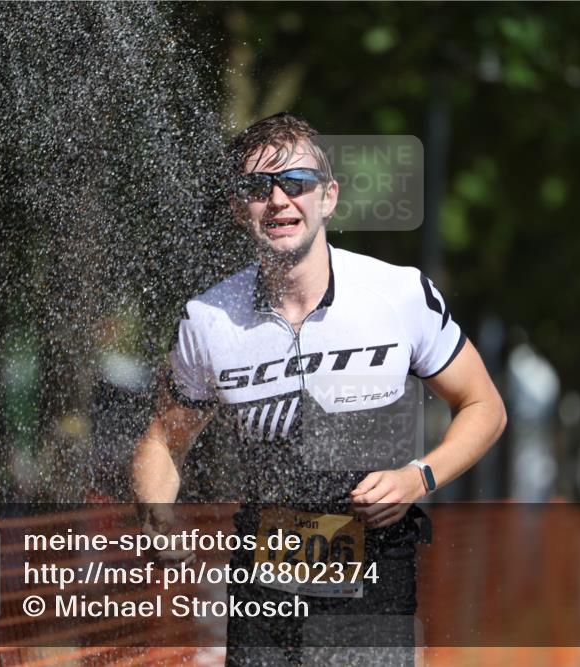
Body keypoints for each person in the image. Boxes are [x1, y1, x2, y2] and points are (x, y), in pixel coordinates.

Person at [132, 112, 507, 665]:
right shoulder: (208, 319)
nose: (280, 200)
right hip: (263, 575)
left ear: (328, 197)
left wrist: (418, 477)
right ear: (240, 209)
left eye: (297, 183)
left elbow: (485, 406)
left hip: (375, 568)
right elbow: (163, 440)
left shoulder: (397, 294)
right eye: (258, 188)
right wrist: (157, 515)